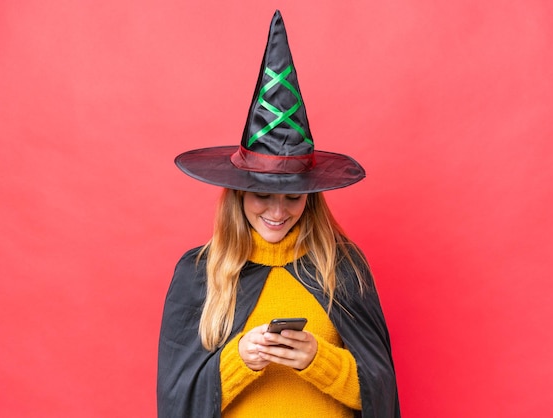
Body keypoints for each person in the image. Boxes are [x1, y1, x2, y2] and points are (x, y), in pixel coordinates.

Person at [157, 10, 400, 418]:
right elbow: (177, 400)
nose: (277, 211)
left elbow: (381, 395)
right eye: (262, 196)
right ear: (237, 194)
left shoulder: (342, 268)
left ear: (312, 198)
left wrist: (318, 361)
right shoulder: (199, 273)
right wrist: (241, 359)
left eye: (293, 198)